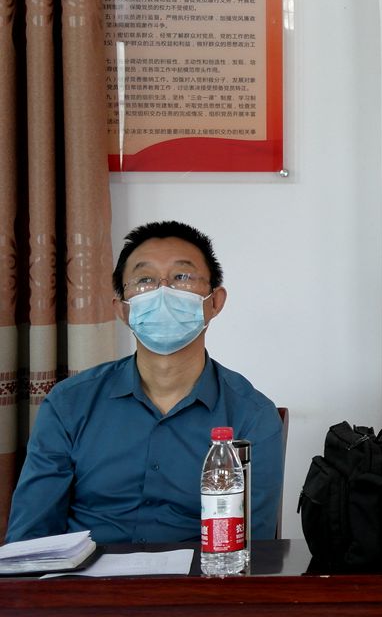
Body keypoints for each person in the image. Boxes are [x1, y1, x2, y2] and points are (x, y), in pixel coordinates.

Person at [6, 221, 283, 544]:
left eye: (182, 277)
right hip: (86, 574)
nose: (163, 292)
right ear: (122, 309)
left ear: (215, 302)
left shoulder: (252, 416)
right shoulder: (69, 404)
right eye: (144, 280)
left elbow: (253, 547)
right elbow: (30, 538)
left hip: (200, 576)